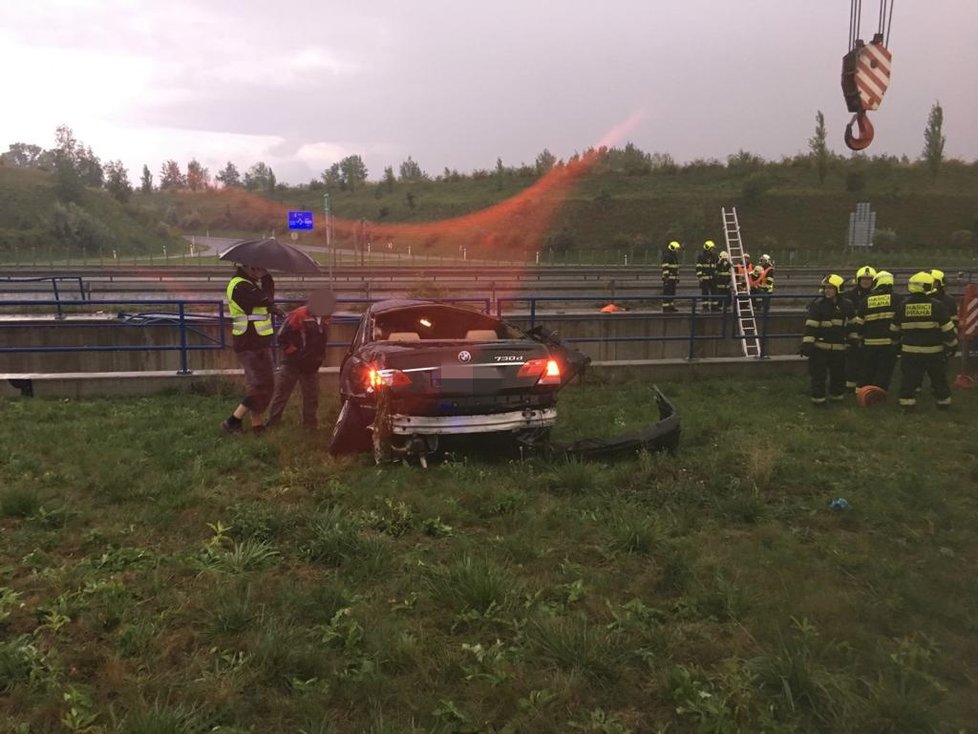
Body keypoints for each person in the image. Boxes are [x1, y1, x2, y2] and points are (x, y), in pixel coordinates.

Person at [221, 263, 281, 434]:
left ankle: (257, 424)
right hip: (249, 343)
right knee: (262, 386)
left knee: (261, 385)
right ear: (248, 267)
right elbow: (264, 299)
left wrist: (272, 308)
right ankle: (233, 421)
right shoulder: (240, 285)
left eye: (263, 268)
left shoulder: (249, 283)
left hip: (258, 342)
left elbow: (262, 304)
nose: (261, 271)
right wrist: (268, 279)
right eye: (259, 268)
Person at [890, 271, 957, 411]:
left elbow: (894, 330)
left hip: (909, 352)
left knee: (909, 380)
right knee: (938, 379)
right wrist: (952, 346)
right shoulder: (938, 305)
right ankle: (943, 403)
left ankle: (907, 405)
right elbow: (948, 330)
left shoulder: (903, 305)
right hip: (934, 351)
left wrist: (896, 346)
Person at [266, 293, 331, 429]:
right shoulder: (298, 315)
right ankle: (273, 422)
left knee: (311, 396)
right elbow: (281, 337)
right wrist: (295, 353)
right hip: (293, 363)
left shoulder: (326, 318)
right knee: (282, 394)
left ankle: (310, 425)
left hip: (312, 364)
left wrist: (319, 358)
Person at [800, 274, 855, 406]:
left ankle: (837, 398)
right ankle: (818, 401)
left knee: (839, 375)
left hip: (839, 348)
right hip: (820, 348)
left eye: (830, 288)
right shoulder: (817, 305)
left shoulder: (848, 306)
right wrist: (807, 344)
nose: (827, 291)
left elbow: (852, 325)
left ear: (838, 289)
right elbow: (811, 326)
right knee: (818, 376)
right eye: (825, 288)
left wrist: (853, 340)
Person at [851, 270, 900, 391]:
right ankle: (879, 395)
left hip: (869, 344)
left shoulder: (866, 300)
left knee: (866, 371)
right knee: (884, 372)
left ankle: (860, 394)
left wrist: (861, 338)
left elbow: (859, 324)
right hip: (889, 344)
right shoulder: (898, 300)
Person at [843, 265, 877, 390]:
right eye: (863, 279)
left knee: (868, 362)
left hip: (869, 333)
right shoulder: (849, 295)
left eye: (869, 279)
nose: (866, 281)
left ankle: (865, 387)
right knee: (852, 362)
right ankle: (849, 387)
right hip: (852, 333)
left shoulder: (876, 296)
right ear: (858, 280)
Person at [695, 240, 719, 311]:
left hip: (713, 278)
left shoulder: (714, 256)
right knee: (705, 293)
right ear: (708, 248)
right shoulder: (701, 256)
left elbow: (717, 265)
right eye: (712, 248)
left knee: (714, 292)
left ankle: (714, 306)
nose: (713, 250)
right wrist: (700, 276)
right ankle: (705, 307)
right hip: (704, 279)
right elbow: (698, 267)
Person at [661, 241, 681, 312]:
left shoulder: (674, 257)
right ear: (672, 248)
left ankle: (671, 306)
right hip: (668, 279)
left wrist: (677, 278)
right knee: (667, 293)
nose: (677, 250)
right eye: (676, 249)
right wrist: (666, 277)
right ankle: (666, 307)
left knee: (672, 293)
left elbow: (676, 268)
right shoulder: (667, 256)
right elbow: (665, 267)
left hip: (673, 279)